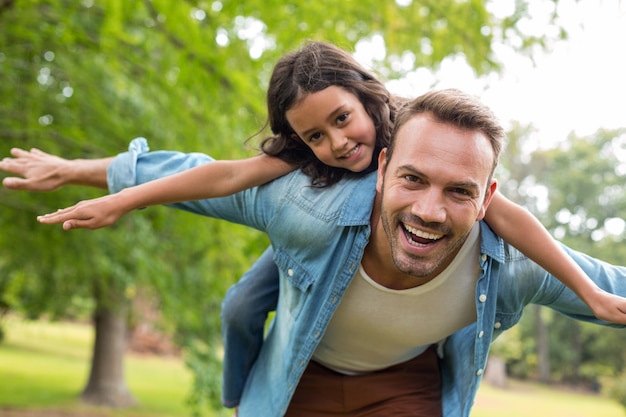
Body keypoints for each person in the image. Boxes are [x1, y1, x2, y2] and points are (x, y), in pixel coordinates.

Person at [2, 88, 626, 417]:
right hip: (299, 379)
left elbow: (611, 284)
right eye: (413, 179)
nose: (430, 211)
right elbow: (199, 174)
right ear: (382, 168)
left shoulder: (515, 262)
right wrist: (76, 171)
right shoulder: (307, 204)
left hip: (404, 390)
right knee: (241, 303)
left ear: (488, 197)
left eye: (459, 191)